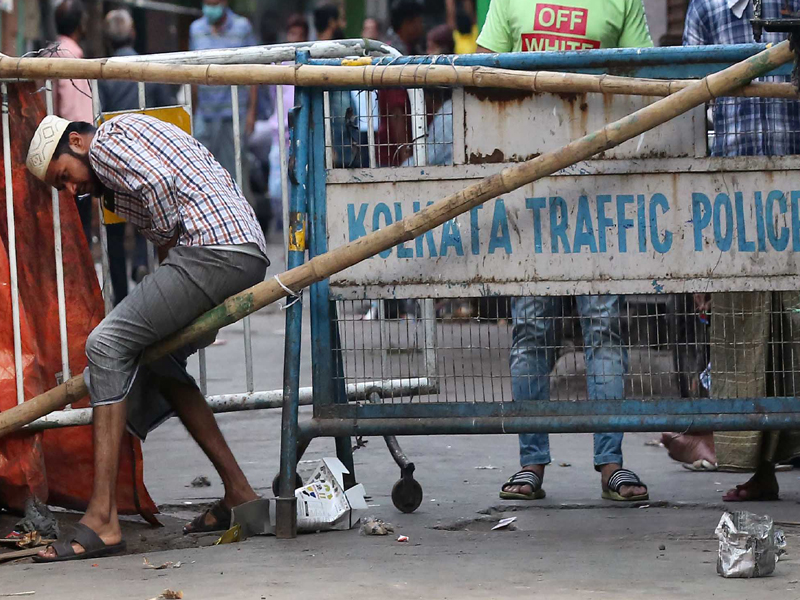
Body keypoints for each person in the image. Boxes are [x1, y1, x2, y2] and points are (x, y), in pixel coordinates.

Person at [26, 112, 268, 562]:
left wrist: (168, 243)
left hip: (214, 249)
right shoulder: (115, 170)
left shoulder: (106, 143)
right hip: (235, 249)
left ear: (76, 142)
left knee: (105, 344)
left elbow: (158, 187)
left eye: (66, 177)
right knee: (159, 359)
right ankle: (240, 492)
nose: (72, 191)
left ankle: (102, 518)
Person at [476, 0, 653, 503]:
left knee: (604, 325)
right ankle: (530, 464)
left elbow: (643, 75)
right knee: (530, 328)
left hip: (602, 187)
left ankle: (611, 464)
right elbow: (481, 75)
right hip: (529, 187)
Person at [661, 0, 800, 501]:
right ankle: (759, 469)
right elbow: (691, 105)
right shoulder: (709, 7)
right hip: (732, 197)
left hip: (795, 186)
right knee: (743, 339)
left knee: (795, 334)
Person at [98, 9, 178, 305]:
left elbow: (99, 114)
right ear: (133, 34)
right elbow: (167, 107)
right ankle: (148, 274)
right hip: (149, 155)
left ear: (108, 39)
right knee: (151, 216)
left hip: (114, 157)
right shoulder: (148, 67)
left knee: (115, 228)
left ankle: (120, 298)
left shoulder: (103, 73)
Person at [189, 0, 258, 179]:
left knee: (234, 172)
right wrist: (193, 112)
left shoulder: (242, 27)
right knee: (202, 172)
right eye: (207, 3)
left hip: (233, 113)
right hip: (204, 113)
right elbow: (191, 72)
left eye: (214, 3)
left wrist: (252, 112)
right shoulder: (196, 29)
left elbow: (254, 70)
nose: (210, 8)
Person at [50, 0, 94, 244]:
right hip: (74, 150)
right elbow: (70, 107)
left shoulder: (53, 52)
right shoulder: (69, 57)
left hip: (62, 147)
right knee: (79, 222)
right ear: (79, 24)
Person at [377, 0, 426, 166]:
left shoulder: (409, 51)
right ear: (407, 24)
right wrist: (405, 155)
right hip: (395, 154)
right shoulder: (395, 57)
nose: (422, 27)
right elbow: (396, 110)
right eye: (419, 22)